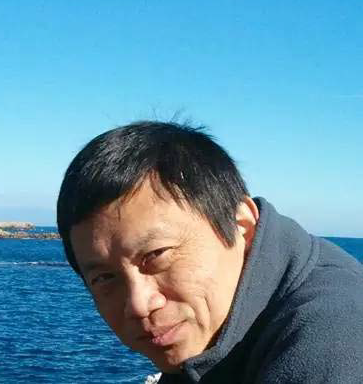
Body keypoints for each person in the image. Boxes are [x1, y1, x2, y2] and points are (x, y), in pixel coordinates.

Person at [56, 121, 363, 383]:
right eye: (104, 278)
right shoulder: (217, 330)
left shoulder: (332, 339)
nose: (138, 305)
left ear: (241, 226)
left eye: (156, 255)